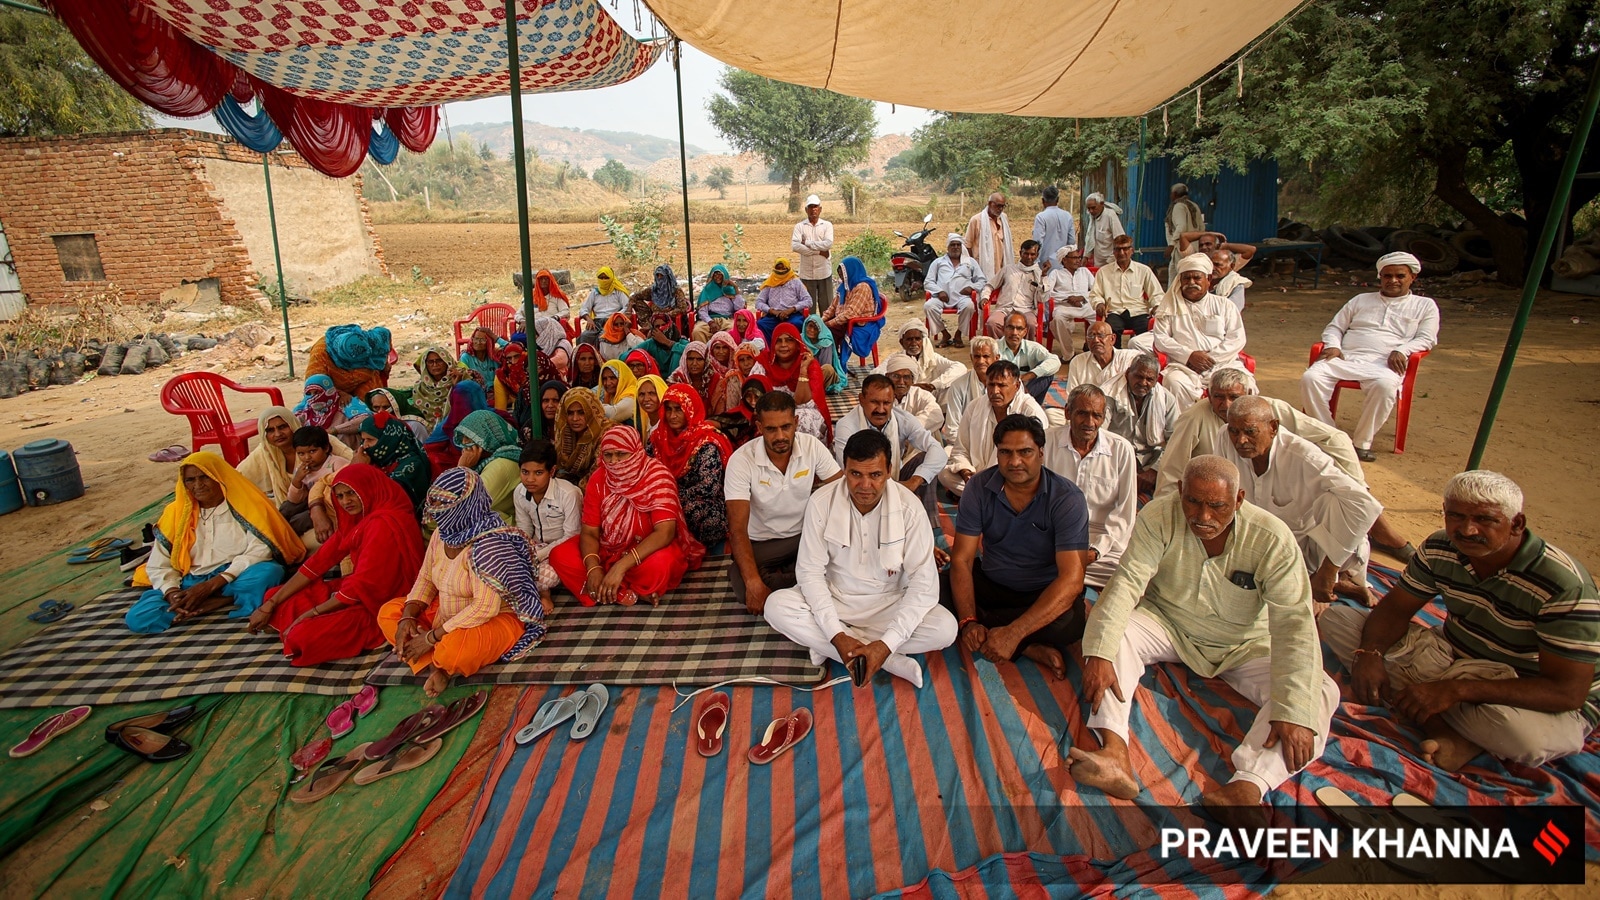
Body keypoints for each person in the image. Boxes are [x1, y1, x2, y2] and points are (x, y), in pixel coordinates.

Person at [1069, 456, 1339, 819]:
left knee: (1317, 693)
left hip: (1244, 644)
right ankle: (1114, 750)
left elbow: (1294, 625)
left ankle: (1247, 786)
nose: (1203, 516)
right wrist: (1100, 654)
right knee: (1110, 637)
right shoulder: (1159, 516)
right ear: (1180, 491)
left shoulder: (1272, 539)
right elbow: (1126, 584)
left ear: (1240, 500)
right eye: (1193, 502)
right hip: (1168, 623)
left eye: (1217, 506)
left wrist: (1293, 709)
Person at [1319, 470, 1600, 772]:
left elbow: (1567, 693)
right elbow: (1395, 610)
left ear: (1516, 524)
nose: (1466, 530)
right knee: (1336, 619)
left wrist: (1455, 690)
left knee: (1523, 739)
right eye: (1455, 516)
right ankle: (1444, 725)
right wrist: (1370, 654)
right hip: (1452, 657)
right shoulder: (1441, 548)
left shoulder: (1562, 584)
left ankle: (1433, 714)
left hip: (1522, 685)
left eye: (1484, 519)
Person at [763, 430, 958, 688]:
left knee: (945, 628)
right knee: (776, 606)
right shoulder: (821, 502)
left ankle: (841, 647)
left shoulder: (909, 507)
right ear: (844, 469)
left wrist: (886, 642)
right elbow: (810, 573)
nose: (865, 485)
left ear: (889, 470)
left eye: (875, 475)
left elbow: (924, 585)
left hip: (888, 604)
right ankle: (888, 661)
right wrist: (836, 633)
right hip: (836, 600)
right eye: (856, 474)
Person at [379, 467, 547, 696]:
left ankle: (441, 663)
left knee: (454, 652)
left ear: (465, 505)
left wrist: (431, 637)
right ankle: (433, 665)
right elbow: (426, 578)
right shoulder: (442, 534)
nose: (436, 511)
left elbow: (484, 608)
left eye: (443, 504)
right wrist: (409, 615)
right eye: (435, 503)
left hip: (496, 618)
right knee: (389, 614)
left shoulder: (489, 545)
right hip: (448, 614)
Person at [949, 414, 1090, 679]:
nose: (1014, 462)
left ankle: (1008, 635)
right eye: (1006, 453)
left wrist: (1014, 633)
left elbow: (1072, 579)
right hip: (992, 584)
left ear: (1041, 453)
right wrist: (968, 621)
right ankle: (1028, 646)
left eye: (1024, 452)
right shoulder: (978, 487)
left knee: (1071, 624)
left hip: (1040, 592)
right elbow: (963, 560)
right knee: (938, 591)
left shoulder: (1067, 498)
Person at [249, 464, 425, 666]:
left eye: (351, 493)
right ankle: (286, 620)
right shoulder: (358, 518)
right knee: (273, 596)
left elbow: (360, 588)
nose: (345, 501)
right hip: (356, 591)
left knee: (301, 636)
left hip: (379, 605)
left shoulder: (382, 524)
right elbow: (318, 562)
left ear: (369, 488)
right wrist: (270, 605)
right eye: (340, 496)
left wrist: (309, 614)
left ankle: (294, 627)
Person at [1218, 397, 1383, 608]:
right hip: (1268, 544)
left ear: (1273, 428)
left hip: (1312, 548)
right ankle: (1330, 585)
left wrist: (1327, 571)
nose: (1240, 440)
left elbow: (1366, 506)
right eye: (1235, 431)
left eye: (1250, 432)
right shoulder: (1224, 436)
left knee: (1333, 500)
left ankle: (1332, 578)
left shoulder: (1305, 457)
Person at [126, 452, 305, 634]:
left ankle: (219, 599)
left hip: (233, 575)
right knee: (138, 617)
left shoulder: (245, 505)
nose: (198, 485)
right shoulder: (175, 513)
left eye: (204, 477)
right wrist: (172, 593)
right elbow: (159, 562)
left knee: (269, 572)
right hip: (190, 579)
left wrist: (211, 585)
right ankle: (194, 604)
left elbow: (259, 550)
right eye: (190, 480)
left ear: (218, 477)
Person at [1301, 251, 1441, 461]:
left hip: (1385, 364)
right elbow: (1335, 327)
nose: (1393, 281)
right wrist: (1333, 346)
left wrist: (1403, 350)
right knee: (1310, 378)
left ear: (1413, 277)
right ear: (1380, 277)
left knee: (1385, 387)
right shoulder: (1360, 300)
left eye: (1400, 276)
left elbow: (1427, 338)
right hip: (1346, 358)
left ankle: (1361, 443)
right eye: (1387, 276)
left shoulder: (1425, 305)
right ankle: (1328, 436)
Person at [548, 428, 706, 606]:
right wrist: (593, 568)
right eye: (608, 455)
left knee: (662, 563)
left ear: (636, 452)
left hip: (644, 553)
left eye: (621, 454)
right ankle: (626, 593)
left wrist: (620, 567)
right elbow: (590, 532)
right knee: (559, 555)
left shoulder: (657, 476)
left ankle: (610, 589)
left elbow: (665, 532)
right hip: (608, 549)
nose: (614, 462)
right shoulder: (599, 478)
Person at [724, 391, 843, 611]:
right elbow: (737, 528)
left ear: (796, 422)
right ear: (759, 427)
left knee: (846, 561)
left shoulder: (811, 447)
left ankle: (786, 577)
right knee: (744, 590)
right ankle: (800, 578)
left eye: (786, 427)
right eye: (771, 429)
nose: (780, 436)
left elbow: (843, 489)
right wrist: (752, 582)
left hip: (806, 535)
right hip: (763, 543)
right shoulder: (741, 460)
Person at [1042, 385, 1138, 591]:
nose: (1089, 423)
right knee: (1020, 555)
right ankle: (1066, 576)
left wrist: (1095, 551)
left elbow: (1124, 514)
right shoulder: (1046, 442)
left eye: (1097, 415)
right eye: (1082, 414)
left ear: (1104, 418)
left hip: (1101, 541)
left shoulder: (1121, 450)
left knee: (1130, 573)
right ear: (1067, 412)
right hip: (1053, 536)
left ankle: (1058, 577)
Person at [833, 374, 948, 524]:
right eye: (874, 402)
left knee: (927, 459)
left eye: (886, 403)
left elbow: (938, 450)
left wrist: (914, 480)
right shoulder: (846, 425)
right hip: (863, 483)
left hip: (895, 476)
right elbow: (846, 468)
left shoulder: (903, 418)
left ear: (893, 401)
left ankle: (928, 524)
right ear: (861, 400)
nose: (881, 410)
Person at [1150, 253, 1250, 408]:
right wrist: (1189, 356)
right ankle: (1186, 428)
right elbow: (1161, 339)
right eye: (1186, 278)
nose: (1191, 282)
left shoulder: (1224, 305)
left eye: (1197, 278)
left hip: (1222, 363)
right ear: (1180, 281)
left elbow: (1236, 338)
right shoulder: (1169, 307)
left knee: (1244, 384)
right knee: (1175, 383)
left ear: (1208, 280)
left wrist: (1208, 359)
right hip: (1183, 366)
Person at [940, 360, 1049, 499]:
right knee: (944, 473)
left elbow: (1038, 458)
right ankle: (984, 494)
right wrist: (966, 473)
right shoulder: (975, 407)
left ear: (1016, 386)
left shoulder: (1031, 411)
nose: (995, 391)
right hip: (975, 475)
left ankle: (976, 495)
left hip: (1012, 475)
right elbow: (961, 448)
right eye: (991, 385)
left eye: (1002, 385)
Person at [651, 383, 734, 548]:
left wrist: (671, 498)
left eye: (678, 409)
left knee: (701, 517)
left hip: (700, 501)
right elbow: (646, 472)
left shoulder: (706, 441)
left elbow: (709, 488)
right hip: (662, 499)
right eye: (669, 409)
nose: (673, 415)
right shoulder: (657, 439)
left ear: (690, 410)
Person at [238, 405, 353, 506]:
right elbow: (237, 476)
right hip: (293, 501)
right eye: (270, 430)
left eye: (282, 427)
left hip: (327, 500)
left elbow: (353, 461)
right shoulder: (265, 452)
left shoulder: (317, 440)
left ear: (292, 425)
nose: (278, 434)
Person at [512, 440, 582, 605]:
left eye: (538, 473)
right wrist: (524, 551)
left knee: (543, 576)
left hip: (563, 550)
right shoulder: (520, 492)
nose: (530, 479)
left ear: (552, 471)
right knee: (506, 565)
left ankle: (544, 594)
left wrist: (539, 556)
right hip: (536, 548)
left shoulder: (568, 494)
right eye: (525, 472)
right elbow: (524, 529)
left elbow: (572, 535)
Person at [1107, 354, 1180, 495]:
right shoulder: (1110, 395)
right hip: (1115, 458)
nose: (1143, 383)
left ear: (1156, 380)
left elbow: (1175, 441)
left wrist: (1154, 471)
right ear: (1128, 373)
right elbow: (1099, 435)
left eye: (1149, 379)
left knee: (1175, 488)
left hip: (1151, 460)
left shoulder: (1166, 399)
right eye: (1139, 376)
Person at [756, 322, 833, 443]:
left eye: (788, 340)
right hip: (770, 415)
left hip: (805, 414)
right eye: (778, 341)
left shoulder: (809, 364)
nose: (783, 345)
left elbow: (803, 402)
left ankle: (806, 458)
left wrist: (803, 371)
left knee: (802, 418)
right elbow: (754, 394)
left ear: (797, 343)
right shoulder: (764, 362)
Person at [280, 425, 348, 546]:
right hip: (309, 503)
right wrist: (297, 480)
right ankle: (278, 537)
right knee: (285, 508)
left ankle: (289, 545)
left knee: (298, 521)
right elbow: (294, 500)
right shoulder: (302, 469)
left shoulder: (336, 463)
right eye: (301, 453)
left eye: (312, 451)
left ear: (326, 448)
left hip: (328, 505)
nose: (307, 457)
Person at [453, 408, 524, 523]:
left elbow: (468, 506)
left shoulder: (501, 464)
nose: (465, 444)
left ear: (487, 438)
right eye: (463, 438)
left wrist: (462, 469)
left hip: (501, 531)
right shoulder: (488, 461)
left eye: (470, 438)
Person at [1089, 234, 1162, 347]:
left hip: (1139, 312)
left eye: (1125, 249)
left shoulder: (1143, 270)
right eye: (1118, 249)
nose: (1122, 252)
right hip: (1115, 312)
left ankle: (1142, 361)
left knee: (1147, 331)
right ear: (1113, 252)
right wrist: (1099, 304)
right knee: (1110, 331)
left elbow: (1156, 293)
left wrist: (1157, 306)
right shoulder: (1104, 272)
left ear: (1132, 250)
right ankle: (1115, 360)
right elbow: (1095, 294)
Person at [356, 411, 432, 512]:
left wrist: (360, 469)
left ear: (388, 439)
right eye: (363, 440)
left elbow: (385, 496)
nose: (365, 446)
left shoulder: (412, 465)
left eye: (370, 440)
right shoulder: (375, 460)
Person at [881, 319, 966, 409]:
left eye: (917, 339)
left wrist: (933, 385)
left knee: (953, 387)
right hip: (905, 399)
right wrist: (910, 387)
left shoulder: (932, 357)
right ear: (902, 342)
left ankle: (943, 416)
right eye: (909, 339)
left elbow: (960, 368)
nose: (914, 343)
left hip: (931, 396)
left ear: (922, 341)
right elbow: (876, 374)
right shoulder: (896, 359)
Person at [923, 234, 985, 348]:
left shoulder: (970, 262)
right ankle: (944, 334)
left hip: (962, 297)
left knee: (969, 306)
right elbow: (928, 282)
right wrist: (939, 291)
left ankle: (958, 334)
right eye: (952, 245)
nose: (955, 247)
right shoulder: (938, 262)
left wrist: (971, 287)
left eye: (958, 245)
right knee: (928, 306)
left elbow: (982, 280)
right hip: (941, 297)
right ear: (948, 247)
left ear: (961, 247)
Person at [304, 324, 394, 401]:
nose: (357, 365)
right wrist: (340, 393)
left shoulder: (366, 339)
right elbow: (314, 385)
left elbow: (384, 334)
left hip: (366, 378)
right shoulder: (320, 353)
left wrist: (385, 363)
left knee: (371, 401)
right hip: (333, 389)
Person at [822, 257, 883, 362]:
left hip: (859, 322)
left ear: (851, 271)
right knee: (820, 330)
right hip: (844, 319)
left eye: (843, 275)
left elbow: (852, 313)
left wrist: (829, 324)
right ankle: (830, 360)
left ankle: (834, 363)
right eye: (840, 275)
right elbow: (832, 307)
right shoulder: (844, 287)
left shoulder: (862, 287)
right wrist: (821, 320)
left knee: (827, 333)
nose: (842, 278)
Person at [940, 337, 997, 444]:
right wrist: (974, 447)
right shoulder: (958, 386)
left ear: (996, 358)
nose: (981, 361)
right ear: (971, 358)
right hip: (965, 444)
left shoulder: (1007, 384)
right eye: (977, 356)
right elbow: (952, 429)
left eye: (986, 356)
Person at [984, 240, 1046, 340]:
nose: (1029, 257)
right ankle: (1000, 349)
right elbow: (990, 285)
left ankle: (1026, 352)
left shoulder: (1039, 273)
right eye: (1026, 253)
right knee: (992, 323)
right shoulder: (1008, 269)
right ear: (1020, 253)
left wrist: (1044, 277)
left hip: (1026, 310)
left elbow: (1042, 298)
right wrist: (985, 297)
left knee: (1030, 324)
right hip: (1004, 309)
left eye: (1032, 254)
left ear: (1037, 255)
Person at [997, 311, 1061, 405]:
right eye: (1010, 327)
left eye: (1019, 329)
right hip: (1001, 393)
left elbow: (1055, 361)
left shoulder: (1032, 348)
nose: (1014, 333)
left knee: (1047, 372)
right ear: (1003, 329)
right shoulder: (993, 347)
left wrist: (1029, 375)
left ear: (1025, 332)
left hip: (1028, 392)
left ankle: (1023, 404)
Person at [554, 386, 610, 488]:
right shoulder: (565, 431)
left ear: (591, 411)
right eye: (570, 413)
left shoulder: (607, 433)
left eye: (581, 412)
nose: (575, 418)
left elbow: (599, 473)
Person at [1047, 247, 1097, 357]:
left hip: (1084, 305)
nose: (1078, 260)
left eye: (1079, 257)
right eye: (1074, 258)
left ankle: (1091, 345)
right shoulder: (1056, 273)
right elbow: (1048, 293)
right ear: (1064, 260)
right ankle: (1068, 354)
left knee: (1101, 317)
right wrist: (1069, 298)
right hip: (1064, 307)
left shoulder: (1084, 271)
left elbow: (1096, 290)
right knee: (1058, 320)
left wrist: (1081, 297)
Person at [1064, 321, 1140, 393]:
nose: (1096, 340)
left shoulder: (1128, 358)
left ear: (1112, 339)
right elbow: (1071, 396)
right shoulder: (1078, 361)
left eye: (1101, 336)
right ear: (1087, 341)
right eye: (1091, 336)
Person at [296, 374, 369, 448]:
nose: (313, 397)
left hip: (348, 453)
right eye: (309, 393)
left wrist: (334, 430)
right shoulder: (305, 409)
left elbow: (366, 420)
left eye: (317, 392)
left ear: (329, 390)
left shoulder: (346, 402)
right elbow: (293, 423)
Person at [792, 194, 836, 315]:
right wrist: (819, 252)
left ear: (820, 209)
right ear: (806, 210)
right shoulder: (800, 226)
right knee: (807, 308)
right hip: (806, 274)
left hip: (824, 272)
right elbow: (795, 246)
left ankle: (827, 332)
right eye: (810, 207)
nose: (813, 209)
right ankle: (808, 333)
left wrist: (806, 243)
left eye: (816, 206)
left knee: (827, 308)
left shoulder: (827, 225)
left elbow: (828, 244)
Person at [882, 352, 945, 436]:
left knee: (928, 432)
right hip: (887, 441)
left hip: (914, 442)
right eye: (896, 376)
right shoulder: (880, 396)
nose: (901, 382)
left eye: (906, 377)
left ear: (913, 380)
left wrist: (905, 429)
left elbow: (936, 415)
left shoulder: (921, 394)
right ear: (887, 377)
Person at [755, 258, 812, 345]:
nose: (781, 271)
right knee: (761, 324)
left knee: (797, 324)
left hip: (792, 314)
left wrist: (791, 309)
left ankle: (794, 350)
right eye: (778, 269)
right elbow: (759, 302)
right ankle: (772, 349)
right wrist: (772, 311)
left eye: (783, 268)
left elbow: (808, 300)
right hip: (773, 315)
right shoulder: (770, 283)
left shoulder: (796, 282)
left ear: (788, 269)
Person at [964, 192, 1014, 282]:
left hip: (1001, 266)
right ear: (990, 204)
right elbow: (968, 245)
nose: (1000, 209)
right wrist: (974, 266)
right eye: (998, 206)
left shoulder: (1004, 218)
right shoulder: (976, 220)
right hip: (982, 267)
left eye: (1003, 206)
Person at [411, 346, 464, 429]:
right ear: (425, 364)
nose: (435, 365)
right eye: (430, 362)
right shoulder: (420, 387)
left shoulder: (460, 376)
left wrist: (456, 386)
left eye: (439, 361)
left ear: (447, 362)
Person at [578, 266, 633, 340]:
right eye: (601, 278)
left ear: (611, 278)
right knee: (585, 336)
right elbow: (584, 309)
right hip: (597, 322)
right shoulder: (595, 292)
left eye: (606, 278)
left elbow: (627, 306)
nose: (603, 280)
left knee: (603, 337)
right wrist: (589, 319)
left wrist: (616, 316)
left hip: (614, 322)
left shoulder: (618, 292)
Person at [1031, 185, 1076, 271]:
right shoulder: (1067, 216)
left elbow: (1038, 242)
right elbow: (1072, 241)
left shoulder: (1041, 217)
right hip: (1063, 263)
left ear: (1043, 200)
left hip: (1045, 263)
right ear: (1057, 200)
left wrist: (1035, 262)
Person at [669, 340, 723, 410]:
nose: (694, 363)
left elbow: (718, 409)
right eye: (690, 359)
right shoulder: (677, 379)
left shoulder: (714, 379)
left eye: (699, 359)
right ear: (685, 359)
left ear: (706, 360)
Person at [637, 312, 690, 377]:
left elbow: (692, 350)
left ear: (670, 325)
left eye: (664, 325)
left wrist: (667, 342)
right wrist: (647, 357)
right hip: (658, 380)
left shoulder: (681, 341)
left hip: (677, 381)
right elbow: (626, 355)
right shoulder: (651, 343)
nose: (661, 328)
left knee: (677, 353)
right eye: (657, 326)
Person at [801, 313, 844, 391]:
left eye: (815, 328)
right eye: (810, 326)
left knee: (828, 369)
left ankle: (809, 390)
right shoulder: (801, 339)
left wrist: (811, 358)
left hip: (818, 374)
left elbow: (825, 366)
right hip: (802, 373)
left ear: (820, 331)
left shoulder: (825, 343)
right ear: (805, 326)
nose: (811, 330)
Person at [695, 263, 742, 332]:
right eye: (715, 275)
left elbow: (739, 308)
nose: (717, 277)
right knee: (698, 331)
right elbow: (702, 311)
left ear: (724, 275)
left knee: (732, 330)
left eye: (719, 274)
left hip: (727, 319)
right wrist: (710, 322)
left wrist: (736, 288)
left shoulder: (730, 289)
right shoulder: (708, 290)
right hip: (710, 319)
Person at [1083, 192, 1126, 267]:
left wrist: (1112, 259)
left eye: (1093, 208)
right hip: (1098, 261)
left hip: (1111, 261)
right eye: (1088, 208)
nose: (1091, 211)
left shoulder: (1110, 215)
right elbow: (1090, 238)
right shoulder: (1092, 216)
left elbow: (1120, 239)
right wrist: (1086, 256)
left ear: (1102, 204)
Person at [459, 326, 503, 398]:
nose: (478, 343)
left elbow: (511, 348)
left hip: (496, 393)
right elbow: (463, 381)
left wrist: (494, 337)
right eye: (475, 339)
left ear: (489, 342)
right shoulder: (466, 357)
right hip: (476, 394)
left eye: (482, 340)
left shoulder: (494, 356)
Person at [1165, 183, 1205, 263]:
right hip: (1194, 247)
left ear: (1175, 194)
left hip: (1181, 247)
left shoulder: (1178, 206)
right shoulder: (1194, 205)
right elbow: (1202, 227)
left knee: (1181, 271)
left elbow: (1181, 227)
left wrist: (1171, 245)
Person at [1209, 248, 1254, 313]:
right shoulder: (1202, 280)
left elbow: (1233, 310)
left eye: (1218, 265)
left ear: (1232, 266)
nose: (1212, 268)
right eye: (1210, 264)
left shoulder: (1235, 284)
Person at [595, 358, 639, 425]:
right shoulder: (611, 395)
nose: (608, 383)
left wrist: (593, 404)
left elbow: (613, 414)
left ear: (622, 378)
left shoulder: (632, 395)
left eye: (612, 378)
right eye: (604, 379)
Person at [632, 373, 669, 441]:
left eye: (652, 393)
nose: (646, 399)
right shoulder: (643, 424)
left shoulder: (670, 425)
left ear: (661, 394)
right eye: (642, 394)